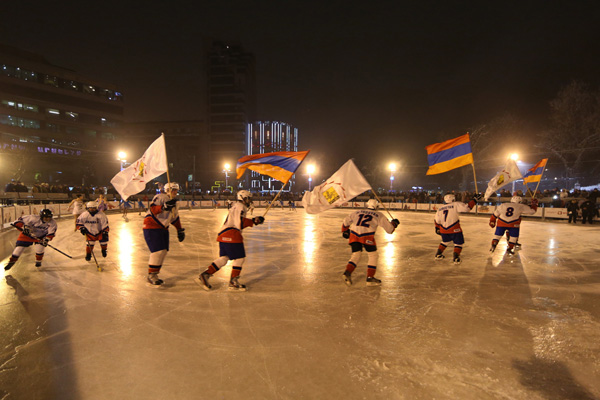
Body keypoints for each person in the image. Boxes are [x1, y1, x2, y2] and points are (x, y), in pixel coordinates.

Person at [198, 190, 265, 291]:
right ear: (243, 197)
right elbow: (240, 223)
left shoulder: (237, 206)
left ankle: (206, 274)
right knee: (240, 258)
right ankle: (233, 281)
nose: (249, 200)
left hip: (223, 234)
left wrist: (253, 221)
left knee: (225, 258)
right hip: (232, 234)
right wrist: (254, 221)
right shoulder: (240, 206)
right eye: (248, 198)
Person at [341, 199, 399, 286]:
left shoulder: (357, 212)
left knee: (356, 255)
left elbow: (345, 222)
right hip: (367, 236)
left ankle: (347, 273)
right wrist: (394, 224)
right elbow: (389, 230)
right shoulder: (379, 215)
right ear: (376, 207)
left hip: (354, 234)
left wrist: (344, 231)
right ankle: (370, 278)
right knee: (373, 255)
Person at [142, 182, 186, 286]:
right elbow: (153, 209)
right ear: (167, 190)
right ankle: (151, 275)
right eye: (173, 190)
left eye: (176, 190)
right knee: (158, 251)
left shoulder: (175, 203)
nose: (175, 192)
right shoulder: (160, 197)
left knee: (163, 251)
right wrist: (163, 207)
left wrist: (179, 229)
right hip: (152, 226)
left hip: (163, 228)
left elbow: (174, 218)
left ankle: (155, 273)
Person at [433, 193, 480, 264]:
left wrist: (437, 228)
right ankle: (456, 258)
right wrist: (474, 200)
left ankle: (438, 254)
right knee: (458, 243)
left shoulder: (440, 208)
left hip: (443, 229)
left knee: (445, 241)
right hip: (454, 228)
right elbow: (467, 208)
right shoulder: (455, 204)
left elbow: (437, 220)